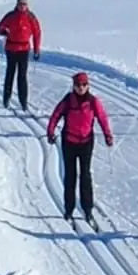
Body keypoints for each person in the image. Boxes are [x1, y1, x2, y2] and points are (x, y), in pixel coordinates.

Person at [46, 71, 113, 224]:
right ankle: (68, 209)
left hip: (86, 142)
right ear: (73, 86)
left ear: (88, 85)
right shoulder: (68, 100)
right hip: (69, 141)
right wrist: (50, 131)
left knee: (85, 175)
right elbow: (56, 115)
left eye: (84, 85)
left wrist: (107, 135)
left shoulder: (93, 101)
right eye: (78, 85)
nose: (81, 88)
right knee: (70, 176)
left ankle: (87, 209)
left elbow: (102, 118)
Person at [0, 0, 42, 110]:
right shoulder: (10, 15)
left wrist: (36, 50)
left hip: (24, 49)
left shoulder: (31, 17)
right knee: (10, 74)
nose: (22, 6)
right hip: (11, 48)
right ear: (17, 4)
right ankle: (6, 99)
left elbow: (37, 33)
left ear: (27, 5)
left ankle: (23, 102)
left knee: (22, 76)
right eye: (20, 4)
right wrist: (3, 31)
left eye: (24, 4)